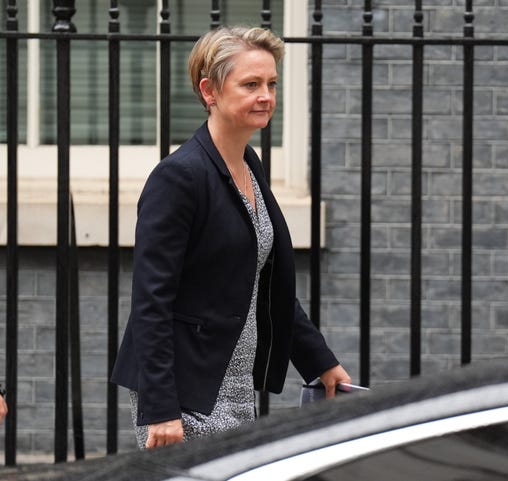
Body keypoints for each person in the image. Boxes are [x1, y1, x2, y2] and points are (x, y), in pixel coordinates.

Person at [110, 26, 351, 450]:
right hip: (185, 391)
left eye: (272, 84)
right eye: (251, 84)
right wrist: (161, 409)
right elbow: (151, 301)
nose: (266, 96)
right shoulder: (179, 178)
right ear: (210, 91)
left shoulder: (249, 166)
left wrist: (321, 362)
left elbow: (266, 284)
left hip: (235, 382)